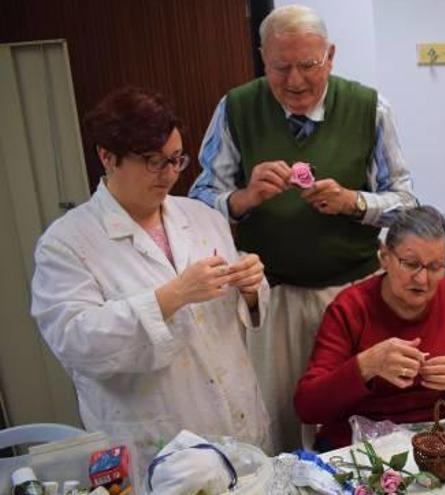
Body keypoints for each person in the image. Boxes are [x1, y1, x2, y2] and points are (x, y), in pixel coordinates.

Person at [189, 5, 417, 451]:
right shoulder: (235, 108)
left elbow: (408, 203)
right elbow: (196, 202)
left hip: (355, 294)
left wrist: (354, 202)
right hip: (271, 300)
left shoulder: (370, 108)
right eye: (280, 67)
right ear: (262, 58)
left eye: (308, 66)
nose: (295, 81)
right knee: (279, 417)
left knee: (356, 415)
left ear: (330, 56)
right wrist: (243, 199)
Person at [30, 87, 271, 485]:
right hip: (153, 433)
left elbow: (235, 314)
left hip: (234, 417)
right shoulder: (67, 243)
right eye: (153, 161)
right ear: (106, 156)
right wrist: (170, 297)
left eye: (176, 159)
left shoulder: (202, 217)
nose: (170, 173)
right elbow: (75, 340)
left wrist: (249, 286)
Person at [294, 206, 445, 450]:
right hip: (369, 448)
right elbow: (307, 406)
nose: (422, 279)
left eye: (435, 267)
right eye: (410, 264)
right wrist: (367, 365)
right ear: (385, 257)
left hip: (444, 443)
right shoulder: (350, 308)